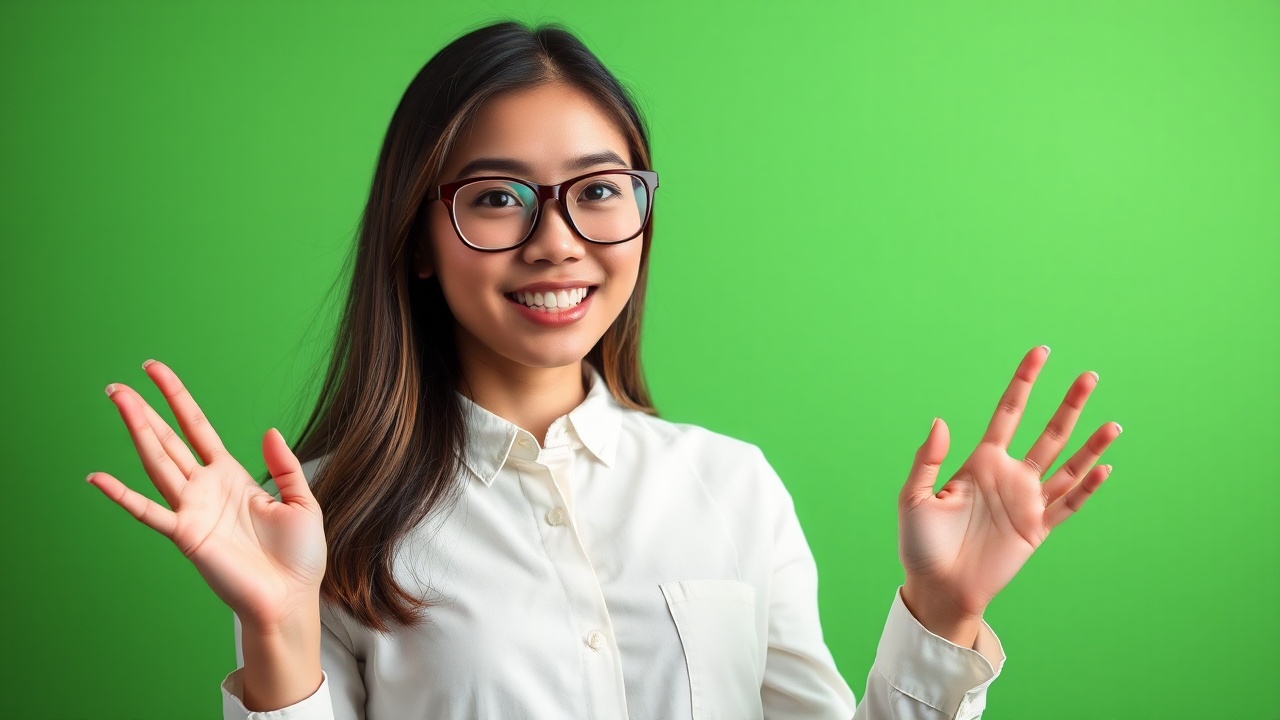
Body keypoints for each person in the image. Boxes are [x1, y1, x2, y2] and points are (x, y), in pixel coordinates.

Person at [88, 20, 1121, 720]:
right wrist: (276, 633)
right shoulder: (314, 521)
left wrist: (941, 616)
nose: (558, 243)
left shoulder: (732, 486)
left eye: (599, 191)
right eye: (497, 199)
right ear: (418, 232)